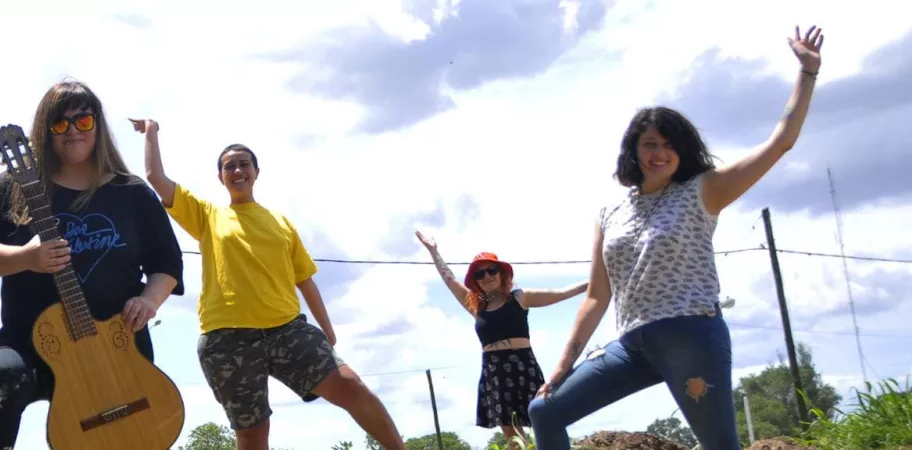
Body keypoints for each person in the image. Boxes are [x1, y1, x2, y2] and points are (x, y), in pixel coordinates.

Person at [526, 25, 825, 450]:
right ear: (634, 150)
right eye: (649, 143)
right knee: (546, 409)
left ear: (682, 151)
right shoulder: (610, 212)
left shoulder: (703, 189)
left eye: (669, 144)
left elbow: (781, 143)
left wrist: (807, 73)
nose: (659, 153)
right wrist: (562, 364)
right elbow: (597, 296)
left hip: (691, 338)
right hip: (632, 344)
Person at [130, 118, 407, 450]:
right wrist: (151, 131)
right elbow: (156, 179)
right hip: (227, 338)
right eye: (229, 166)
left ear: (256, 172)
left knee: (350, 385)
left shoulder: (281, 223)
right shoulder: (207, 215)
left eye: (244, 164)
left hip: (287, 330)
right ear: (220, 177)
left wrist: (327, 331)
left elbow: (305, 280)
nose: (237, 170)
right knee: (252, 434)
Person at [0, 80, 185, 449]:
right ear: (44, 131)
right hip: (30, 342)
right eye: (60, 124)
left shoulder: (131, 193)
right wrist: (26, 257)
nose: (72, 131)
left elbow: (167, 263)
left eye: (83, 121)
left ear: (97, 125)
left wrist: (148, 301)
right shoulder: (16, 186)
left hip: (116, 342)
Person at [414, 231, 588, 446]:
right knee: (510, 430)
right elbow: (449, 279)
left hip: (522, 364)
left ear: (501, 273)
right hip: (494, 370)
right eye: (480, 275)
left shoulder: (520, 298)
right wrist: (433, 251)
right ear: (476, 282)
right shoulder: (477, 307)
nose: (487, 276)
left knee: (542, 415)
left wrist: (594, 281)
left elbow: (560, 293)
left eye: (491, 270)